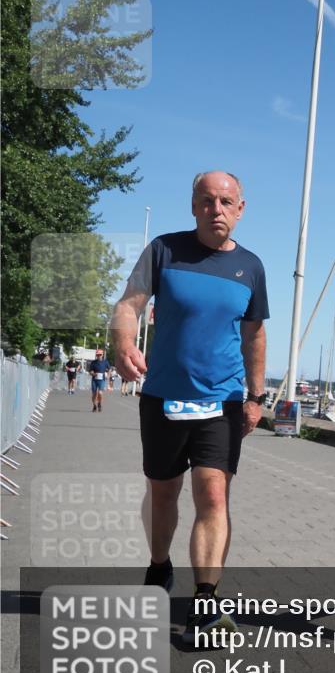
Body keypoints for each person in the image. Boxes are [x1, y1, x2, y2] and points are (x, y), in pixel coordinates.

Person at [112, 171, 269, 645]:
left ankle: (205, 602)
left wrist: (257, 397)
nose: (216, 209)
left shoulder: (251, 267)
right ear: (193, 205)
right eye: (207, 201)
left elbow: (254, 335)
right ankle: (160, 565)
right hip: (162, 396)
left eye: (226, 202)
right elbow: (128, 305)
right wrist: (122, 341)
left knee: (213, 495)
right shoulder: (163, 250)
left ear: (240, 209)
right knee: (164, 493)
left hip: (221, 399)